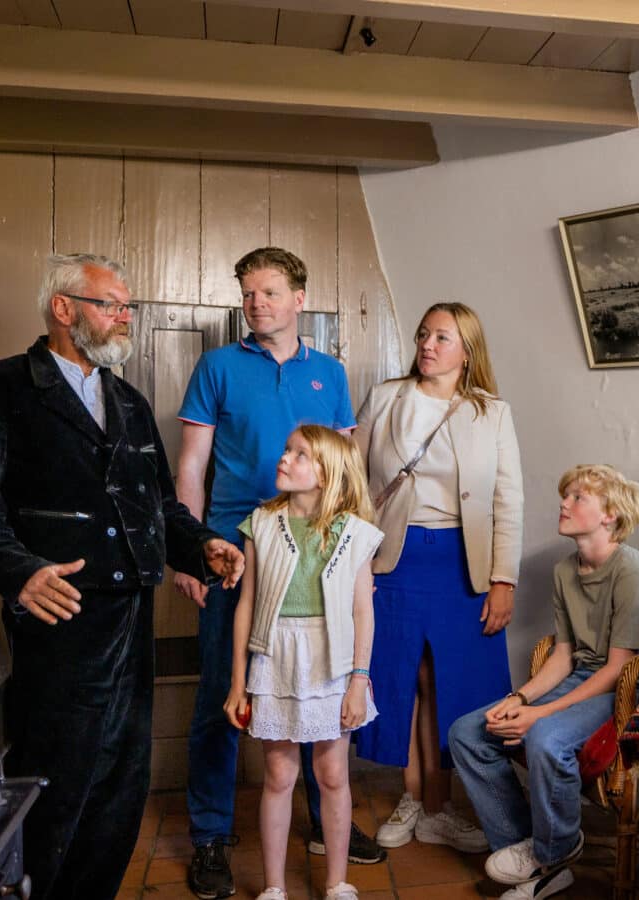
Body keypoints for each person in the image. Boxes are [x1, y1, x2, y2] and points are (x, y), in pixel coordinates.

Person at [0, 253, 246, 900]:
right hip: (61, 615)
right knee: (57, 778)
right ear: (63, 308)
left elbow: (159, 506)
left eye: (127, 307)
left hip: (131, 614)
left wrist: (201, 549)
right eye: (111, 305)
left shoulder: (129, 402)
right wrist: (21, 573)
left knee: (120, 782)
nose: (124, 317)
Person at [175, 248, 381, 899]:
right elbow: (191, 465)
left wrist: (355, 558)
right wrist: (191, 550)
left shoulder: (330, 373)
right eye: (247, 293)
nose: (255, 303)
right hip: (236, 556)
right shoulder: (217, 367)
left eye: (268, 292)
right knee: (223, 695)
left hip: (319, 553)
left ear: (298, 299)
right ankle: (211, 836)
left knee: (323, 694)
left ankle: (325, 825)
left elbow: (345, 466)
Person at [449, 465, 639, 900]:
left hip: (629, 690)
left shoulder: (634, 575)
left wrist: (540, 714)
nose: (563, 504)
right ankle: (528, 852)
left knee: (545, 737)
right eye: (565, 495)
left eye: (578, 497)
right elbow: (564, 656)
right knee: (467, 732)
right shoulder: (566, 570)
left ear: (609, 515)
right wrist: (519, 698)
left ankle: (557, 853)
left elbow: (617, 670)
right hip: (584, 677)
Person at [353, 302, 523, 852]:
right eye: (423, 334)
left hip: (463, 565)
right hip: (393, 559)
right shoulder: (385, 397)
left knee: (450, 682)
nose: (427, 345)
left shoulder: (492, 412)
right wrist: (354, 564)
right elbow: (352, 483)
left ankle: (439, 808)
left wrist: (503, 580)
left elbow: (508, 500)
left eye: (442, 337)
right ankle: (413, 799)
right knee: (402, 677)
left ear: (467, 351)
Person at [223, 425, 384, 900]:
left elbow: (362, 611)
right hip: (275, 658)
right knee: (278, 775)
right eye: (286, 449)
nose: (284, 458)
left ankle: (337, 882)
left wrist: (359, 681)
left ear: (327, 473)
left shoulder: (355, 533)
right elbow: (246, 605)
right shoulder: (260, 524)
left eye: (299, 454)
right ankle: (274, 886)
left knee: (332, 774)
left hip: (333, 661)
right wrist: (238, 683)